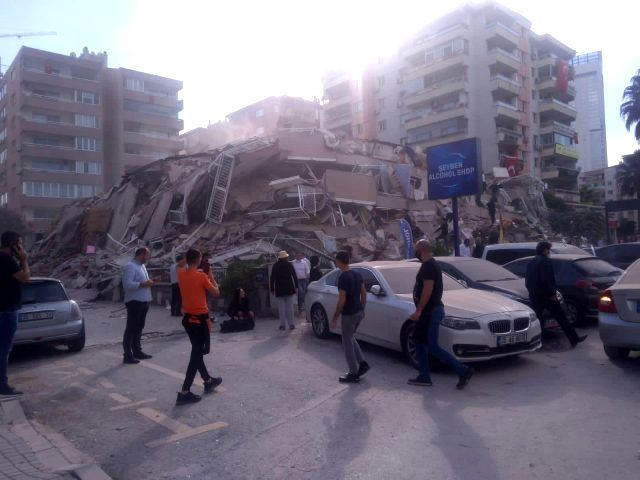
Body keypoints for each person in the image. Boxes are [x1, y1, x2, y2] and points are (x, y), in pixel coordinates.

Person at [409, 240, 474, 389]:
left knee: (432, 347)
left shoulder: (428, 266)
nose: (415, 252)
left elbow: (428, 290)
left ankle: (462, 370)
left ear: (422, 250)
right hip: (431, 311)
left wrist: (419, 310)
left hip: (430, 311)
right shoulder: (431, 265)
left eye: (416, 250)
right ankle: (424, 376)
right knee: (420, 341)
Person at [176, 248, 222, 405]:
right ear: (198, 259)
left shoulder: (181, 273)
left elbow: (180, 264)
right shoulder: (201, 276)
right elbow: (216, 292)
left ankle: (208, 380)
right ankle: (184, 391)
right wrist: (212, 276)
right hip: (200, 321)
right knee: (195, 355)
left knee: (196, 351)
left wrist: (192, 260)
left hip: (188, 319)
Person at [525, 241, 587, 348]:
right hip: (546, 295)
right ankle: (574, 339)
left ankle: (535, 342)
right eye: (548, 249)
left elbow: (528, 280)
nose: (549, 252)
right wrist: (552, 293)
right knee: (561, 317)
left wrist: (532, 291)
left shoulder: (532, 262)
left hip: (534, 295)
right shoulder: (545, 261)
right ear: (545, 250)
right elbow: (546, 280)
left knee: (537, 320)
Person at [330, 251, 369, 384]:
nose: (336, 263)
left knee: (347, 343)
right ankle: (363, 363)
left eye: (336, 261)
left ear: (339, 261)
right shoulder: (357, 274)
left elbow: (342, 300)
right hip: (358, 312)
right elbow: (364, 293)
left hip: (349, 314)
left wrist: (335, 317)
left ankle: (353, 373)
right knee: (350, 337)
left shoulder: (343, 277)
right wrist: (362, 309)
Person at [0, 231, 30, 396]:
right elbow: (25, 278)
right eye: (20, 243)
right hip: (6, 310)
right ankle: (2, 385)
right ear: (13, 244)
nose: (22, 247)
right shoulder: (7, 260)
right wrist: (24, 260)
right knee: (3, 349)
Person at [121, 247, 154, 365]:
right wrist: (144, 283)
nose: (149, 258)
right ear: (142, 254)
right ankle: (127, 355)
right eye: (147, 255)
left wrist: (148, 283)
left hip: (144, 301)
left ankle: (137, 351)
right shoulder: (130, 266)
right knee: (131, 329)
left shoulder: (142, 266)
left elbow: (142, 282)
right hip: (134, 302)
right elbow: (127, 285)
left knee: (139, 328)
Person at [270, 251, 298, 331]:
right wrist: (296, 287)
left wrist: (272, 288)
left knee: (281, 308)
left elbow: (272, 278)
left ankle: (282, 325)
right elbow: (294, 276)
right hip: (289, 288)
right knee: (290, 307)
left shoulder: (275, 265)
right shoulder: (289, 265)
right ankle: (291, 324)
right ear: (286, 257)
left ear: (279, 258)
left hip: (279, 289)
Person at [292, 251, 310, 316]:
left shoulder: (304, 262)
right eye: (297, 255)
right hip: (297, 280)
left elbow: (307, 271)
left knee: (303, 294)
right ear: (295, 256)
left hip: (304, 280)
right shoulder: (293, 263)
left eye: (300, 255)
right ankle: (302, 307)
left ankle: (301, 307)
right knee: (301, 293)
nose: (298, 256)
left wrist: (308, 279)